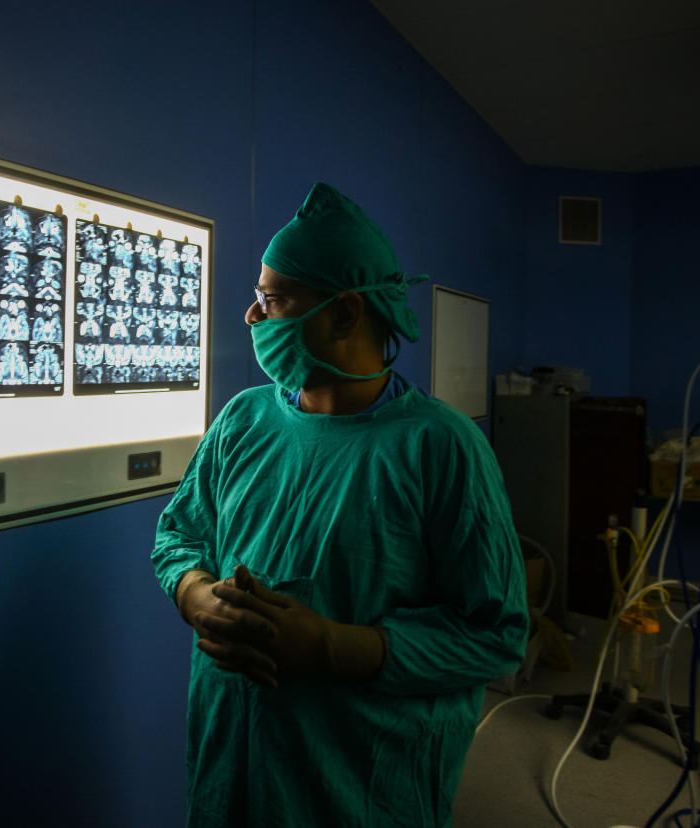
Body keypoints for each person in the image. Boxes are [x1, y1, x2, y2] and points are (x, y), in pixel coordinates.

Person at [151, 183, 529, 828]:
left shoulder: (439, 446)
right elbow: (179, 536)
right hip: (229, 755)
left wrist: (333, 646)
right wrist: (196, 596)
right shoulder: (244, 420)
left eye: (273, 299)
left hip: (355, 781)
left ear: (346, 314)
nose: (252, 316)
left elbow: (495, 636)